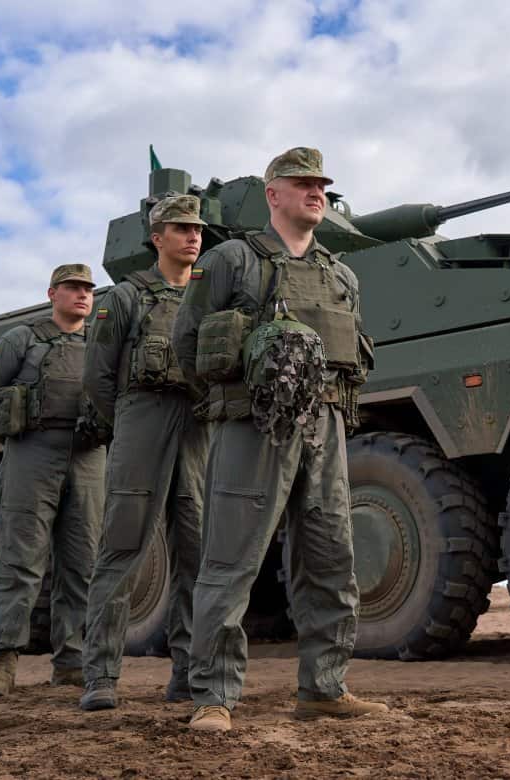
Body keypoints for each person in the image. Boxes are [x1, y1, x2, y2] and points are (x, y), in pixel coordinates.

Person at [171, 147, 382, 732]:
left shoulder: (341, 275)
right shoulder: (232, 262)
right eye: (302, 184)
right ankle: (213, 695)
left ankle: (324, 687)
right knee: (230, 561)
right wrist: (234, 404)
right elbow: (189, 347)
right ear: (274, 194)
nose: (316, 192)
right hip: (252, 427)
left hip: (327, 426)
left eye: (321, 185)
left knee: (331, 558)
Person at [78, 195, 211, 711]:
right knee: (123, 547)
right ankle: (101, 676)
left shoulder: (205, 297)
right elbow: (98, 375)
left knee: (197, 553)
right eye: (181, 228)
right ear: (157, 237)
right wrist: (131, 423)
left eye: (197, 229)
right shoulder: (127, 296)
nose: (193, 236)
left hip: (196, 429)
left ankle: (188, 674)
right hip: (141, 418)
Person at [0, 264, 107, 698]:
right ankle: (3, 663)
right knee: (20, 562)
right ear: (52, 293)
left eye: (87, 289)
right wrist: (17, 436)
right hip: (32, 453)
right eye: (72, 288)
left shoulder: (101, 344)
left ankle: (71, 661)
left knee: (82, 564)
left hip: (88, 458)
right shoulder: (21, 339)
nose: (82, 295)